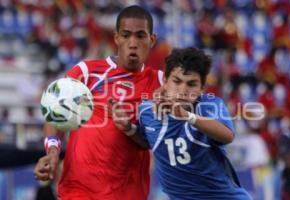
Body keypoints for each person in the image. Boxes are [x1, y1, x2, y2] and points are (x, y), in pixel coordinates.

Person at [34, 5, 162, 200]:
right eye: (126, 35)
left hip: (129, 193)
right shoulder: (87, 72)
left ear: (151, 40)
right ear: (116, 37)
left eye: (140, 36)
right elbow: (56, 115)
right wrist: (52, 152)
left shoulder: (160, 83)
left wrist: (129, 128)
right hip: (78, 191)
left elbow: (155, 141)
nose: (133, 43)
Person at [112, 47, 252, 199]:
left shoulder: (210, 105)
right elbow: (149, 141)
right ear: (165, 81)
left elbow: (227, 136)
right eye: (177, 82)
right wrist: (129, 128)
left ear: (202, 88)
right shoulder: (147, 110)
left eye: (191, 84)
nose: (182, 91)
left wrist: (187, 116)